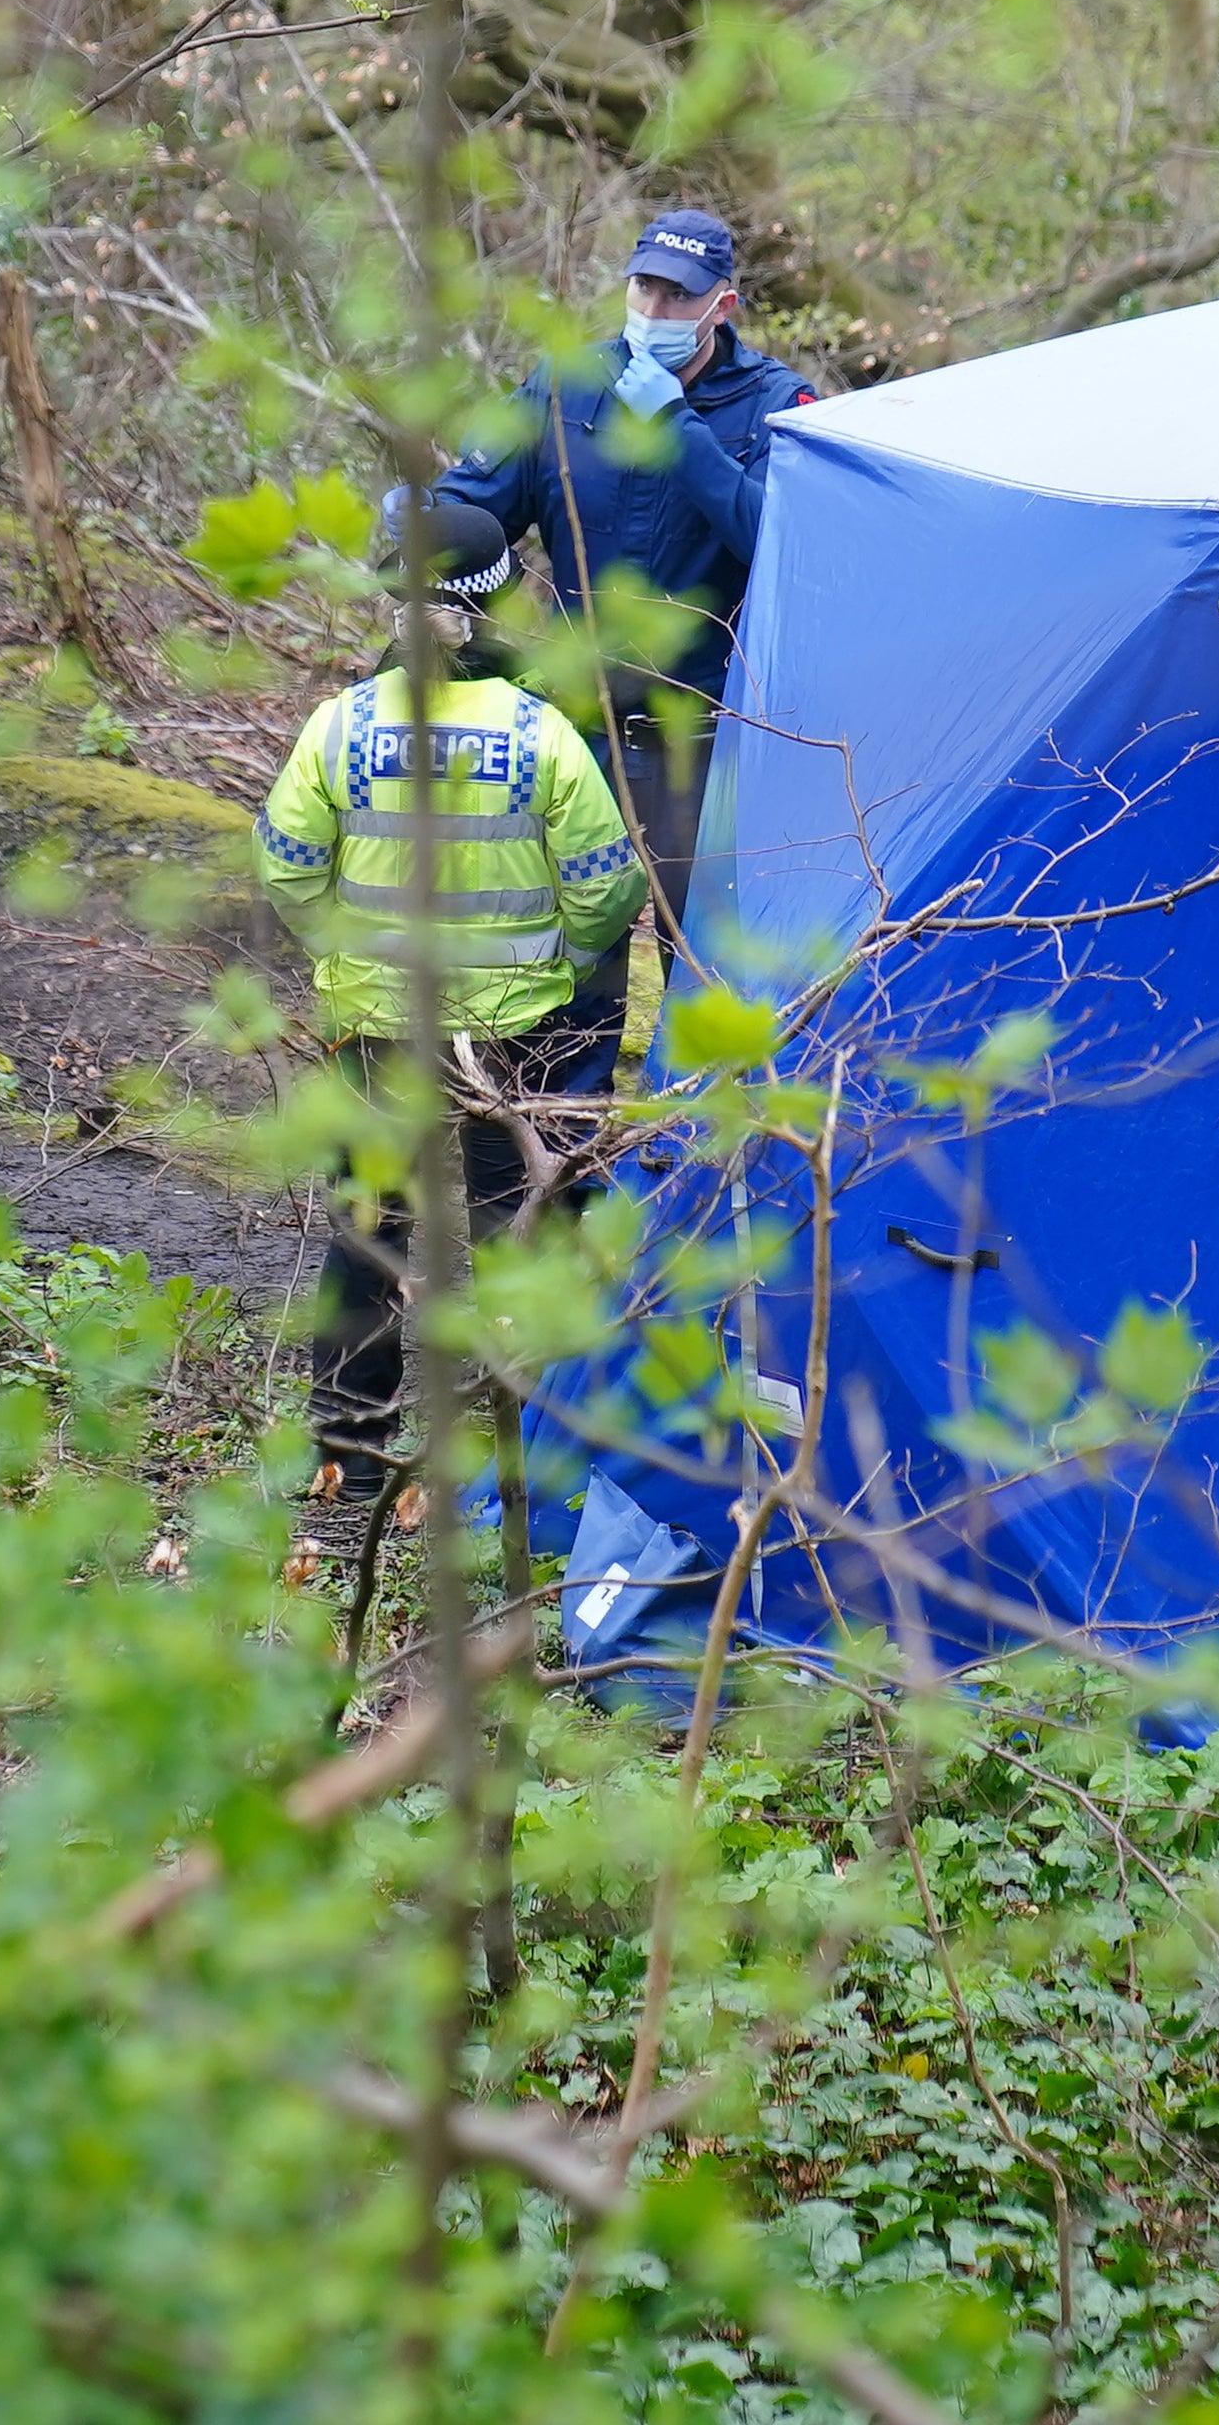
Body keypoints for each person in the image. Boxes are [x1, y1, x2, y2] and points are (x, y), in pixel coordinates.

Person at [256, 495, 652, 1499]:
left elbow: (289, 870)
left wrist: (346, 960)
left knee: (370, 1232)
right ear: (494, 606)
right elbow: (610, 886)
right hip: (511, 1037)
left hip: (377, 1036)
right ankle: (546, 1463)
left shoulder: (337, 727)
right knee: (520, 1226)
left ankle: (345, 1460)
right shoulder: (541, 735)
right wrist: (554, 971)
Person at [435, 201, 826, 973]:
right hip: (577, 728)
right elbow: (475, 510)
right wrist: (427, 533)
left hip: (708, 738)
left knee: (707, 962)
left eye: (679, 295)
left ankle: (697, 1096)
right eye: (644, 288)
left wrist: (680, 427)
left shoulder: (779, 405)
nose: (656, 310)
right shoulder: (567, 385)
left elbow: (780, 546)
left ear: (724, 304)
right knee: (569, 949)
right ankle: (563, 1098)